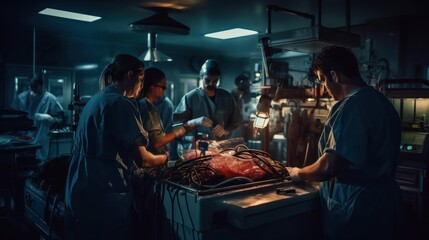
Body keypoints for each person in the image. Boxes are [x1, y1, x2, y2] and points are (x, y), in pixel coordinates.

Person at [287, 46, 404, 240]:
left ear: (335, 75)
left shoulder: (351, 106)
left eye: (323, 80)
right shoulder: (382, 102)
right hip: (384, 204)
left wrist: (297, 172)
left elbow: (329, 166)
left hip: (358, 207)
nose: (324, 88)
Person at [65, 54, 168, 240]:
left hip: (80, 188)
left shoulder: (97, 99)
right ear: (129, 75)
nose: (142, 85)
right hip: (104, 192)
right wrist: (165, 159)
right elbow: (143, 160)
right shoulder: (120, 104)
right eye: (141, 78)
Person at [173, 59, 242, 154]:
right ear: (201, 77)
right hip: (195, 151)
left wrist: (225, 131)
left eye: (215, 81)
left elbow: (236, 121)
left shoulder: (226, 97)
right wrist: (194, 123)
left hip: (220, 150)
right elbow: (177, 127)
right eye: (207, 80)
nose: (211, 84)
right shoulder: (190, 98)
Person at [138, 67, 205, 155]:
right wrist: (183, 129)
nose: (164, 90)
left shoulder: (139, 103)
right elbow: (157, 142)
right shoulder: (148, 108)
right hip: (150, 161)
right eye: (162, 87)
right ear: (152, 87)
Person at [11, 73, 64, 162]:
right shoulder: (21, 98)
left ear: (41, 86)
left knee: (39, 164)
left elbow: (61, 119)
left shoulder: (50, 99)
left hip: (41, 137)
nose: (32, 89)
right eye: (30, 86)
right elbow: (12, 117)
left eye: (35, 86)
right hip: (22, 140)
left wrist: (49, 118)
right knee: (23, 164)